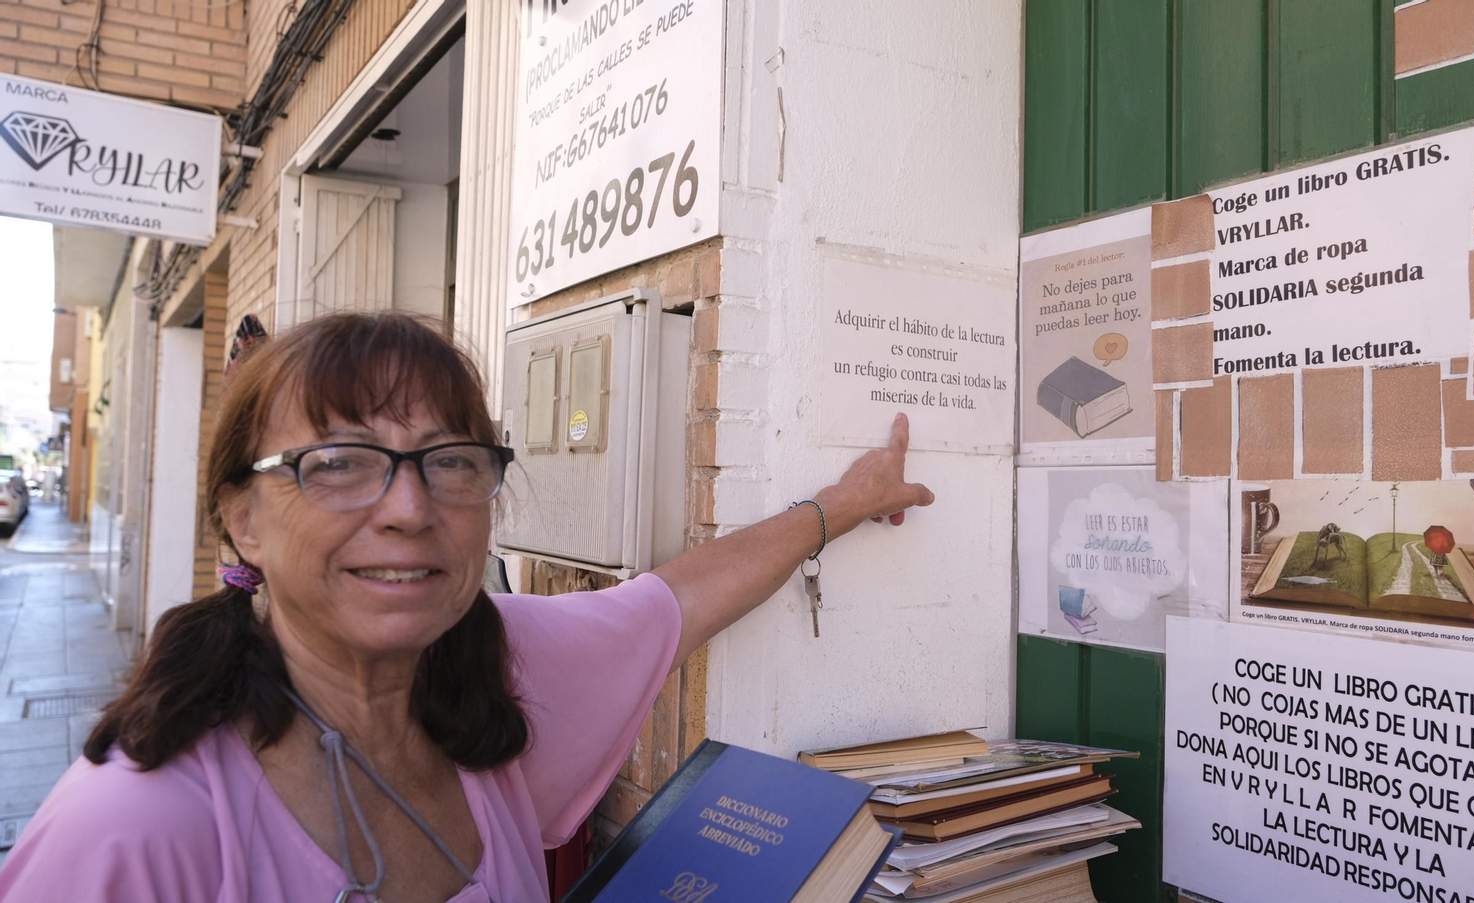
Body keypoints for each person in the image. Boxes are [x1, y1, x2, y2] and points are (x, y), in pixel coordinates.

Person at [0, 313, 934, 902]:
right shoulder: (134, 826)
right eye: (337, 463)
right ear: (239, 519)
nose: (409, 509)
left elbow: (676, 600)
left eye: (450, 461)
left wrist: (844, 503)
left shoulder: (495, 665)